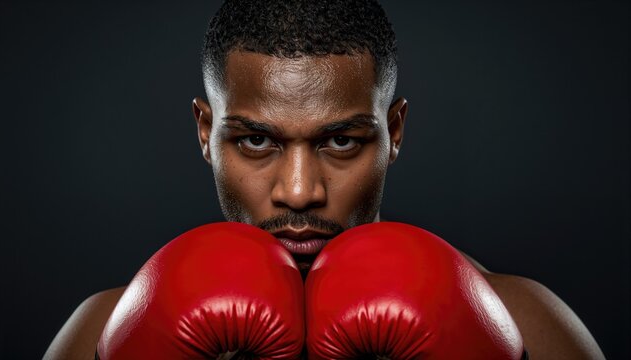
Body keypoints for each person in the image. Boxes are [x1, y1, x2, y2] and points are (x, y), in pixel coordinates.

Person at [44, 0, 605, 359]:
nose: (299, 191)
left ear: (394, 132)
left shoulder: (523, 323)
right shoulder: (104, 332)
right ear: (205, 132)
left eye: (340, 141)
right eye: (256, 141)